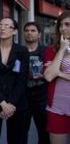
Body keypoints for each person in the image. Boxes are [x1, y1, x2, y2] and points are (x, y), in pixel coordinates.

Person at [0, 18, 29, 144]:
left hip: (16, 102)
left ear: (14, 31)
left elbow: (22, 79)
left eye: (7, 26)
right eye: (0, 26)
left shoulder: (22, 51)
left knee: (16, 139)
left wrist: (11, 104)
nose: (2, 28)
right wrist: (3, 104)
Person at [44, 11, 70, 144]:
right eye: (60, 25)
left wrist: (59, 73)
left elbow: (53, 73)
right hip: (58, 107)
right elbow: (48, 76)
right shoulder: (52, 50)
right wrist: (62, 49)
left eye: (67, 24)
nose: (63, 28)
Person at [22, 22, 49, 144]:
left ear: (39, 34)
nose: (29, 33)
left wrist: (45, 74)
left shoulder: (47, 51)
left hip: (42, 97)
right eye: (27, 30)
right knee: (20, 133)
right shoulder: (18, 51)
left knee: (44, 134)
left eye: (33, 31)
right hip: (22, 97)